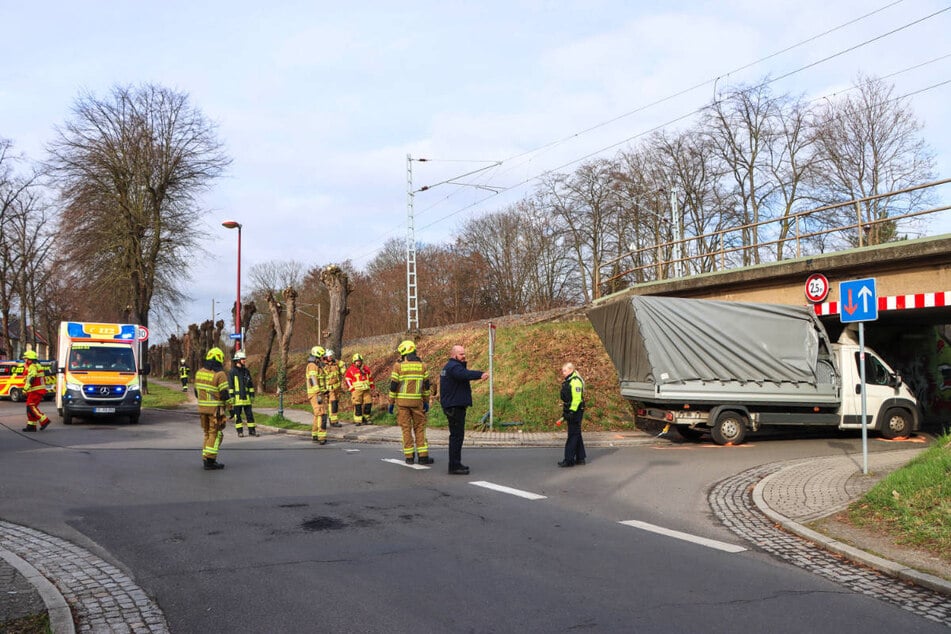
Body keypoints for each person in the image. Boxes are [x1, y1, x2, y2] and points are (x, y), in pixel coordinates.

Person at [439, 345, 488, 475]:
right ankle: (454, 466)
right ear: (454, 355)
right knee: (456, 437)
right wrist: (480, 374)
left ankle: (456, 463)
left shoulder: (449, 366)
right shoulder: (454, 367)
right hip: (454, 406)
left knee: (457, 436)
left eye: (464, 354)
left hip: (453, 405)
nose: (464, 356)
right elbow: (464, 374)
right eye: (461, 354)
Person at [388, 339, 433, 465]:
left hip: (402, 404)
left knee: (406, 429)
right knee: (420, 428)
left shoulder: (398, 366)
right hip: (417, 403)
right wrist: (426, 401)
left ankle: (409, 457)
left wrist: (391, 402)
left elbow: (393, 386)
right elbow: (426, 386)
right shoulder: (423, 366)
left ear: (404, 353)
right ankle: (423, 456)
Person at [194, 347, 232, 470]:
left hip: (202, 409)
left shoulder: (199, 372)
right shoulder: (220, 374)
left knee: (207, 433)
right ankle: (210, 461)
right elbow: (225, 394)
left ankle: (206, 458)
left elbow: (196, 392)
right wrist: (231, 408)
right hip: (215, 411)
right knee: (215, 434)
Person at [558, 362, 586, 468]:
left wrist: (571, 412)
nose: (563, 373)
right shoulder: (569, 380)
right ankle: (580, 458)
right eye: (563, 371)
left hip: (575, 411)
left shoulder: (575, 381)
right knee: (576, 434)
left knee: (572, 435)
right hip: (571, 410)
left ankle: (569, 460)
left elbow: (577, 399)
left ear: (571, 370)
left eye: (565, 371)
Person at [229, 350, 257, 437]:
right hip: (237, 399)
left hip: (247, 398)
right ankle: (240, 432)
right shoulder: (232, 372)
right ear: (238, 360)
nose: (244, 360)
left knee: (250, 415)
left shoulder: (246, 371)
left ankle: (252, 431)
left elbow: (250, 384)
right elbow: (231, 385)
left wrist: (252, 395)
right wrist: (232, 397)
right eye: (242, 359)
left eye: (244, 359)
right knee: (238, 416)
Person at [22, 350, 50, 432]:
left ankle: (44, 420)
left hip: (36, 391)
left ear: (30, 359)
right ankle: (31, 426)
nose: (25, 360)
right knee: (30, 408)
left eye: (26, 359)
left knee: (30, 406)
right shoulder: (36, 365)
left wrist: (25, 389)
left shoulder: (33, 366)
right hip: (36, 390)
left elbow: (31, 378)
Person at [306, 346, 329, 444]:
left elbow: (321, 380)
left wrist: (325, 391)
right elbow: (313, 379)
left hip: (318, 393)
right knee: (321, 414)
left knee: (317, 414)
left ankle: (315, 434)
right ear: (318, 355)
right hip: (316, 393)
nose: (324, 358)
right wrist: (318, 392)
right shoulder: (312, 366)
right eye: (322, 356)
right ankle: (321, 437)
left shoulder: (317, 365)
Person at [345, 353, 375, 425]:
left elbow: (370, 377)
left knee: (368, 403)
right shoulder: (351, 370)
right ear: (354, 362)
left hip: (366, 389)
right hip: (356, 390)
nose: (359, 362)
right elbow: (348, 380)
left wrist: (372, 385)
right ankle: (358, 420)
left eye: (360, 361)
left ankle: (367, 418)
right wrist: (351, 388)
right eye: (357, 361)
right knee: (357, 405)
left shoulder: (366, 368)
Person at [322, 349, 345, 427]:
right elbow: (322, 378)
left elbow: (343, 366)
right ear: (326, 356)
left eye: (331, 356)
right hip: (329, 388)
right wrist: (324, 389)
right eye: (329, 356)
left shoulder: (336, 363)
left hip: (337, 387)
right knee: (333, 403)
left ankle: (332, 419)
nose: (331, 357)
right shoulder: (323, 365)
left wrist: (342, 369)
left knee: (334, 403)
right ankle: (334, 421)